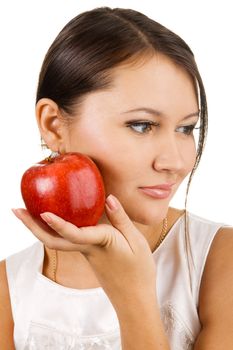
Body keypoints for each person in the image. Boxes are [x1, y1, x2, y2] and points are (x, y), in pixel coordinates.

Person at [0, 6, 232, 350]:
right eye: (142, 125)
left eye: (186, 128)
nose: (176, 162)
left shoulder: (219, 261)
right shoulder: (10, 288)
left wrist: (132, 294)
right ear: (53, 124)